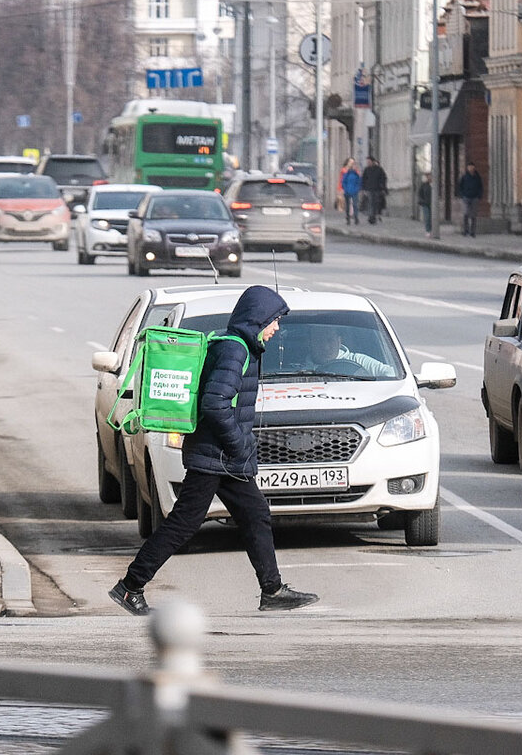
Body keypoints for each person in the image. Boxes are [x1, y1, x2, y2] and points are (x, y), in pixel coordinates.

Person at [109, 285, 319, 616]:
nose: (276, 328)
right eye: (274, 320)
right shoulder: (234, 351)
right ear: (258, 318)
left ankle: (272, 590)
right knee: (184, 524)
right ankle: (130, 586)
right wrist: (238, 444)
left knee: (256, 515)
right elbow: (215, 402)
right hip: (217, 456)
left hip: (222, 456)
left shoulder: (237, 346)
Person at [306, 327, 393, 377]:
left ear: (339, 341)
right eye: (319, 341)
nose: (325, 347)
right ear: (310, 343)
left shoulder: (359, 361)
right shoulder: (299, 368)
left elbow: (391, 373)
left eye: (330, 340)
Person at [457, 162, 483, 237]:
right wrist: (462, 195)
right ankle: (465, 230)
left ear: (474, 168)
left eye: (472, 167)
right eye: (469, 167)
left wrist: (479, 195)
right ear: (467, 168)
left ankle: (473, 231)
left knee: (473, 215)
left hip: (475, 198)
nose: (471, 168)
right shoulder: (465, 177)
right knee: (466, 213)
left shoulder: (477, 177)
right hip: (466, 197)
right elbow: (460, 186)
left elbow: (480, 187)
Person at [362, 156, 387, 224]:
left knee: (375, 203)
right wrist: (364, 189)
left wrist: (383, 187)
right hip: (369, 189)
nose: (368, 163)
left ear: (373, 162)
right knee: (370, 203)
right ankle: (371, 217)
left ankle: (374, 216)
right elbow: (364, 179)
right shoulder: (366, 169)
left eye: (369, 162)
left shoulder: (379, 169)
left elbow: (383, 178)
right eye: (367, 162)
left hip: (377, 189)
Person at [341, 157, 362, 225]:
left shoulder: (357, 175)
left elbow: (359, 182)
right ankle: (348, 218)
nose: (353, 167)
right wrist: (345, 189)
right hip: (347, 192)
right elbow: (343, 182)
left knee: (355, 205)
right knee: (347, 206)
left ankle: (356, 218)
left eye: (354, 165)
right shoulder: (347, 174)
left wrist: (357, 189)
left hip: (354, 192)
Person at [417, 172, 433, 237]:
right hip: (425, 203)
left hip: (432, 204)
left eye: (430, 176)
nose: (429, 177)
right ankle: (428, 230)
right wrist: (422, 201)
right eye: (428, 176)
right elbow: (420, 193)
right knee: (427, 217)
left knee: (432, 218)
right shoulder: (424, 185)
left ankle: (432, 230)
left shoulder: (434, 184)